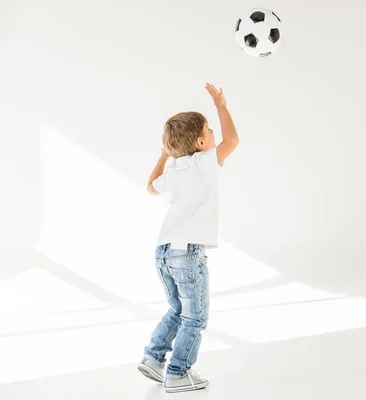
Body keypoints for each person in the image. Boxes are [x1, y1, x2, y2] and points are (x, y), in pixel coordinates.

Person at [137, 83, 239, 392]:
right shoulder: (202, 163)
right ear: (199, 141)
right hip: (187, 253)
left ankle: (154, 359)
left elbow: (151, 185)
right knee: (196, 317)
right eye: (210, 131)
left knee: (177, 310)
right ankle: (178, 372)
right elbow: (233, 140)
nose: (214, 136)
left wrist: (164, 155)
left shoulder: (176, 170)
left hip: (163, 251)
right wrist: (221, 106)